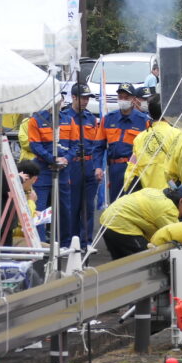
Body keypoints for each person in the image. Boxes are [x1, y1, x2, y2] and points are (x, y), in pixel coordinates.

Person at [26, 89, 71, 244]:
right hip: (43, 169)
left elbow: (75, 145)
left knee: (65, 208)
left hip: (63, 170)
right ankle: (39, 245)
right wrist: (52, 159)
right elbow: (34, 145)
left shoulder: (68, 119)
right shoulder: (36, 120)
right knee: (40, 208)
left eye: (61, 98)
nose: (59, 101)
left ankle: (65, 244)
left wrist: (66, 159)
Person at [100, 185, 182, 258]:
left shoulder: (157, 192)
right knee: (146, 260)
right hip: (121, 226)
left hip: (107, 221)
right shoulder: (168, 209)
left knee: (120, 265)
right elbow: (176, 234)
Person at [122, 95, 182, 193]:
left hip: (147, 199)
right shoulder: (179, 135)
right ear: (168, 112)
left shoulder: (139, 138)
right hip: (171, 199)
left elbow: (131, 172)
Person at [63, 83, 102, 248]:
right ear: (73, 97)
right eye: (82, 98)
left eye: (87, 98)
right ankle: (72, 242)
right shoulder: (65, 117)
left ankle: (86, 242)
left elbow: (96, 144)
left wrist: (97, 166)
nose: (85, 101)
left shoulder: (91, 118)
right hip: (72, 165)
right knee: (72, 205)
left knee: (88, 206)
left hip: (89, 163)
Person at [99, 83, 149, 205]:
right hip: (115, 169)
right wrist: (98, 167)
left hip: (135, 169)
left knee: (133, 205)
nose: (123, 100)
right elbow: (98, 146)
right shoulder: (108, 119)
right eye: (120, 97)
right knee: (115, 205)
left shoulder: (144, 121)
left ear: (133, 99)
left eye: (126, 98)